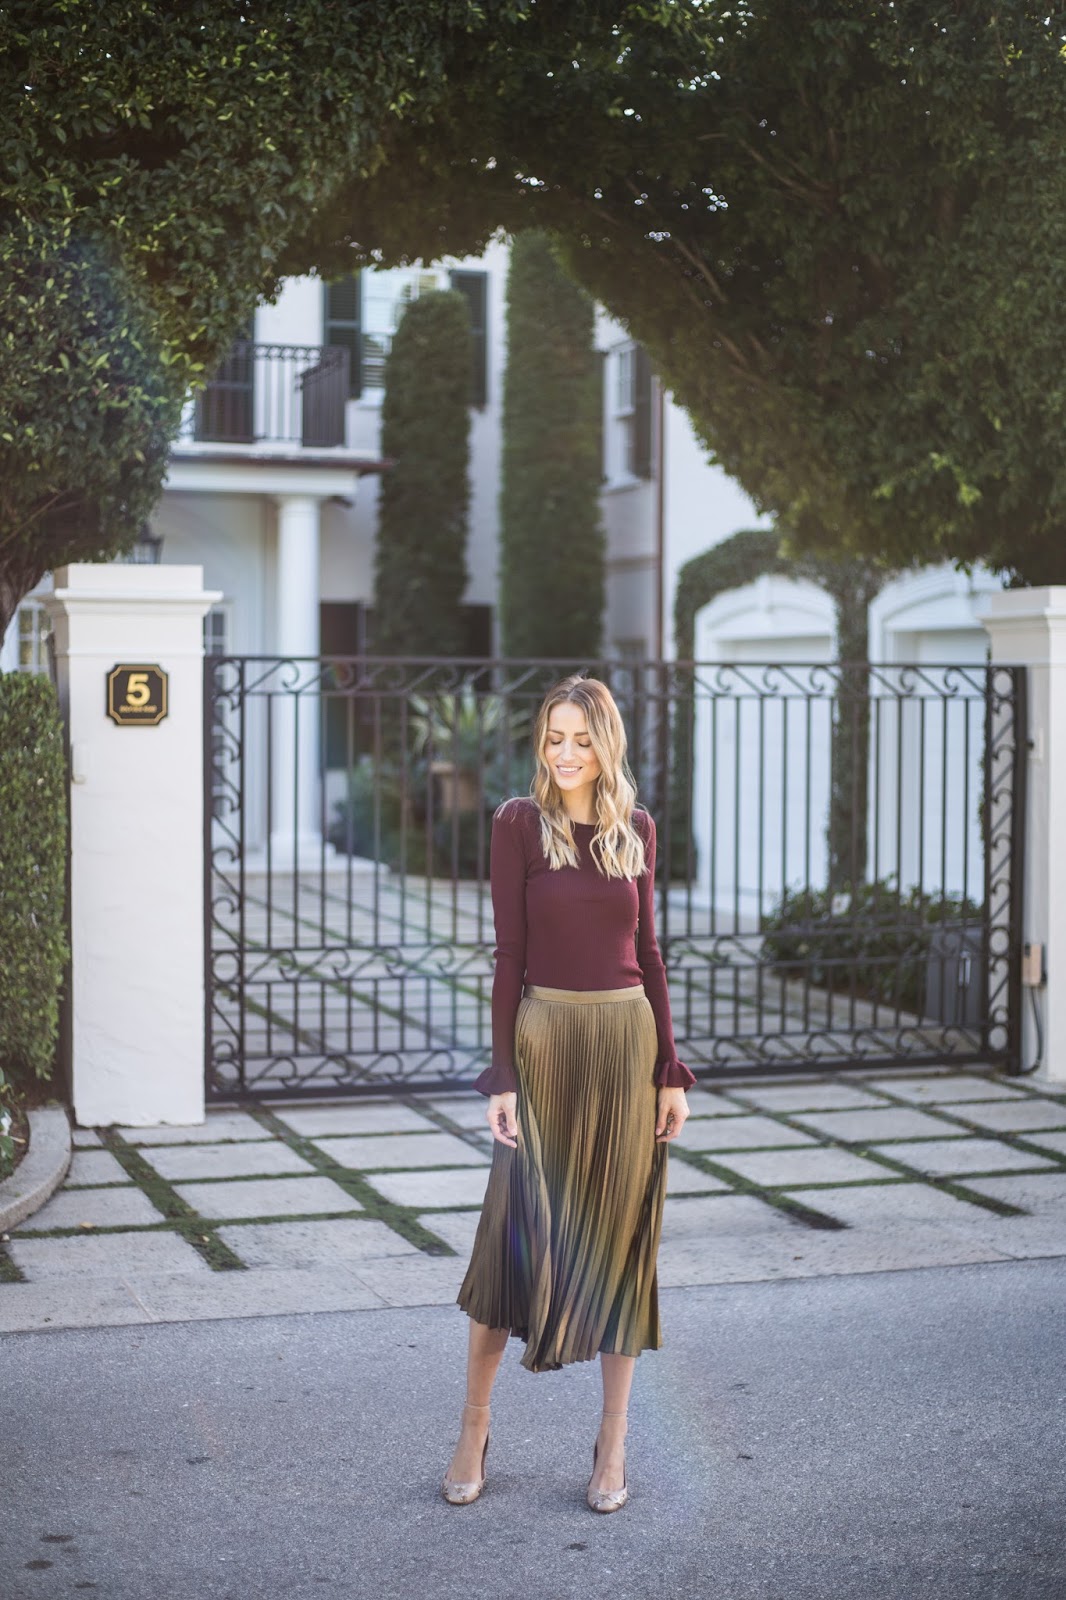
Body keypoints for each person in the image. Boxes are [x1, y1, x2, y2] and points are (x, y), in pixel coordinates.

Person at [441, 672, 695, 1513]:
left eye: (581, 739)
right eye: (554, 737)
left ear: (605, 743)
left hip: (625, 1048)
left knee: (619, 1246)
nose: (566, 752)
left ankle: (613, 1441)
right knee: (513, 1237)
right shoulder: (519, 824)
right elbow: (509, 956)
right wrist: (502, 1075)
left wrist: (670, 1071)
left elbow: (648, 954)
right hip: (545, 1042)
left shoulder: (636, 828)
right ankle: (474, 1426)